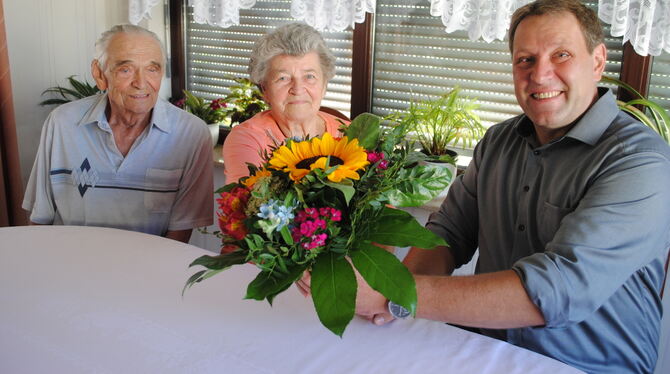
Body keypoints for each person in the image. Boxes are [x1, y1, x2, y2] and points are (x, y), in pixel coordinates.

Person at [344, 1, 670, 373]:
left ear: (597, 62)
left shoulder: (640, 160)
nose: (541, 74)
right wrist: (392, 300)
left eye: (561, 54)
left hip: (583, 365)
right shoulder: (498, 140)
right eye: (525, 60)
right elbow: (449, 233)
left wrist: (394, 294)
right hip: (478, 347)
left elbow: (557, 290)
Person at [22, 25, 213, 243]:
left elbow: (179, 235)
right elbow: (40, 217)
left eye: (152, 69)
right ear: (99, 74)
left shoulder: (191, 134)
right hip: (70, 262)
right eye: (126, 70)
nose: (141, 83)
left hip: (148, 268)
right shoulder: (62, 123)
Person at [222, 23, 348, 183]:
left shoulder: (350, 133)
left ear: (324, 86)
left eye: (309, 76)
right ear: (265, 90)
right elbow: (248, 204)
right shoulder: (247, 140)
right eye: (283, 78)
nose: (298, 89)